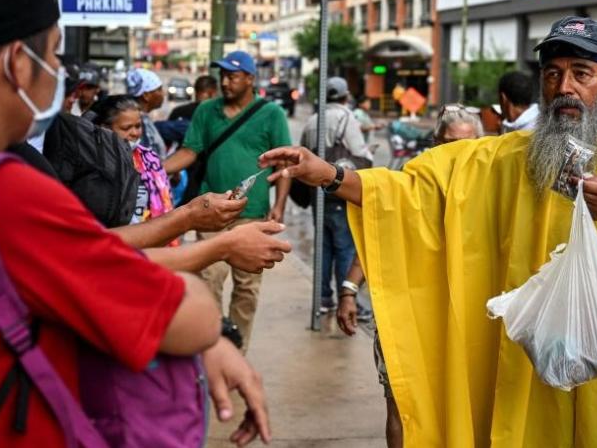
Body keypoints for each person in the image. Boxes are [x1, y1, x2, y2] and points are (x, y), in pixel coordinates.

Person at [264, 15, 597, 447]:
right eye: (552, 73)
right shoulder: (503, 157)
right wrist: (328, 174)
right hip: (523, 373)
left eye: (581, 72)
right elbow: (412, 191)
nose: (564, 87)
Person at [0, 0, 272, 446]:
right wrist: (208, 310)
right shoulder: (0, 193)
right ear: (17, 62)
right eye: (53, 54)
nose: (57, 70)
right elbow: (189, 317)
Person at [337, 104, 482, 448]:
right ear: (434, 143)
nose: (456, 153)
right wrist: (348, 288)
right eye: (448, 143)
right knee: (401, 402)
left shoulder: (492, 185)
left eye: (467, 144)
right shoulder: (411, 179)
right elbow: (380, 229)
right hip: (408, 311)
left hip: (468, 315)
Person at [164, 50, 293, 351]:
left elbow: (284, 164)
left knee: (247, 288)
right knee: (208, 280)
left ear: (250, 79)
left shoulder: (271, 114)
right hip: (212, 213)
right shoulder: (207, 111)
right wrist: (154, 167)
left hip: (253, 213)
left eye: (233, 76)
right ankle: (211, 347)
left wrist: (279, 205)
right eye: (223, 76)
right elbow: (189, 152)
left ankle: (237, 352)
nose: (226, 82)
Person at [301, 76, 373, 312]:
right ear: (345, 96)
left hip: (316, 193)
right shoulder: (346, 117)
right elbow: (359, 153)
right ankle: (347, 300)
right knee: (345, 247)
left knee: (323, 245)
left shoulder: (313, 119)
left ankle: (323, 297)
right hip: (340, 193)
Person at [91, 95, 176, 230]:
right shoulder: (92, 162)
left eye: (138, 126)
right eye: (126, 128)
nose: (135, 133)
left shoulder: (150, 159)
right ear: (105, 129)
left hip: (151, 243)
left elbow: (166, 205)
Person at [127, 67, 168, 158]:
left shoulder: (143, 119)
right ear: (146, 95)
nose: (163, 94)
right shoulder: (138, 123)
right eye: (159, 89)